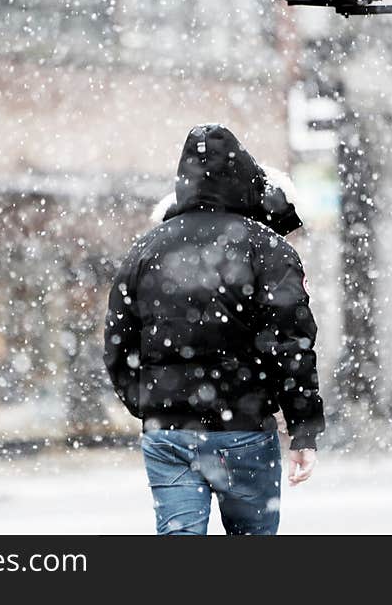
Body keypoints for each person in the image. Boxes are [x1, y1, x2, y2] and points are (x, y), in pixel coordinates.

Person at [103, 124, 325, 535]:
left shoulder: (147, 249)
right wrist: (303, 428)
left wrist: (152, 404)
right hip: (243, 428)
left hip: (168, 432)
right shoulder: (267, 248)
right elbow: (292, 345)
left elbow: (118, 343)